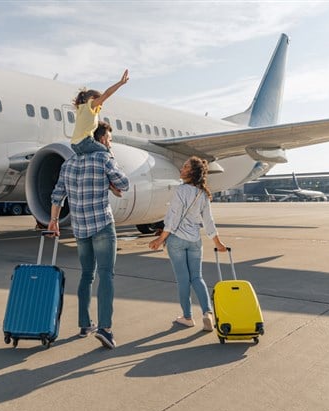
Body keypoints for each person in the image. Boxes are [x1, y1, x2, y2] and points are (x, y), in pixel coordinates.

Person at [48, 122, 129, 349]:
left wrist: (53, 221)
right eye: (109, 140)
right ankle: (105, 328)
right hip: (102, 225)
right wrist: (110, 157)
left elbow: (57, 196)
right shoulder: (104, 158)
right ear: (102, 140)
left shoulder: (69, 163)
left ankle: (84, 324)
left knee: (86, 275)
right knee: (106, 275)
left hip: (80, 229)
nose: (110, 143)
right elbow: (125, 183)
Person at [148, 156, 227, 332]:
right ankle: (208, 313)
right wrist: (218, 242)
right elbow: (208, 221)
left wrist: (160, 239)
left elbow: (174, 219)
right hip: (194, 241)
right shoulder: (203, 194)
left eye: (185, 167)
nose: (181, 169)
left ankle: (187, 317)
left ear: (191, 172)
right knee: (197, 278)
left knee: (183, 280)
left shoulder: (180, 190)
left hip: (176, 240)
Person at [71, 70, 129, 156]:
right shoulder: (91, 105)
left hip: (74, 145)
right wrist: (120, 83)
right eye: (100, 103)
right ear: (92, 98)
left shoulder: (81, 109)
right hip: (85, 142)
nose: (100, 106)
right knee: (107, 152)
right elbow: (106, 94)